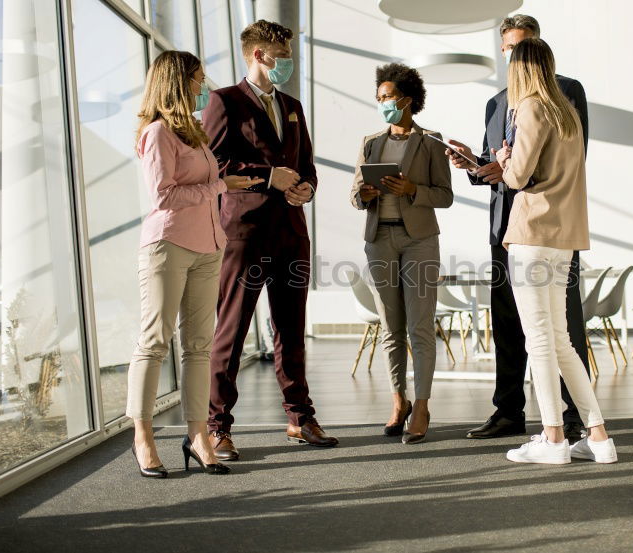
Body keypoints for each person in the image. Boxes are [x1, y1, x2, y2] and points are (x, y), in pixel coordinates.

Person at [444, 15, 592, 442]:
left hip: (548, 222)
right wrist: (475, 165)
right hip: (505, 225)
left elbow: (570, 160)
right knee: (508, 324)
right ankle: (508, 411)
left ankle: (573, 418)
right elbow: (499, 164)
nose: (514, 55)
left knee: (562, 328)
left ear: (538, 48)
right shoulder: (495, 103)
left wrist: (509, 166)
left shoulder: (566, 92)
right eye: (507, 48)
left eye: (521, 47)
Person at [201, 20, 338, 459]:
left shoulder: (293, 105)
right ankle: (216, 425)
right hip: (246, 235)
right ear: (259, 55)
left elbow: (309, 167)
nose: (288, 63)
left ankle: (300, 417)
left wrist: (307, 189)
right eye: (283, 55)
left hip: (292, 234)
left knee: (291, 331)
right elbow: (215, 168)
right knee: (232, 331)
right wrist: (267, 178)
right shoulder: (224, 102)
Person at [128, 51, 263, 477]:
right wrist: (221, 185)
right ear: (178, 82)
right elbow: (164, 196)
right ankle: (143, 437)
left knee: (199, 346)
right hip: (168, 244)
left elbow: (205, 186)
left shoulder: (196, 132)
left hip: (208, 247)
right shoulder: (157, 134)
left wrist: (223, 184)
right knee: (154, 342)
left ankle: (198, 434)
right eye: (198, 79)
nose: (204, 86)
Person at [495, 37, 616, 464]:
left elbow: (518, 176)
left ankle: (553, 438)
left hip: (531, 234)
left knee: (540, 341)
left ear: (520, 69)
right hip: (564, 237)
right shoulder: (568, 112)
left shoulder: (529, 107)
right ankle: (598, 437)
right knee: (561, 339)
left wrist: (503, 159)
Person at [350, 64, 453, 444]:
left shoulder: (431, 142)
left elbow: (445, 195)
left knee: (420, 327)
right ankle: (399, 401)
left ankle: (422, 405)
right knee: (390, 329)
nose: (382, 105)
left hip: (419, 241)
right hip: (379, 239)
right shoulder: (370, 143)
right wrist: (365, 195)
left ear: (408, 99)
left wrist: (412, 189)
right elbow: (354, 193)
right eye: (379, 99)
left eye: (388, 98)